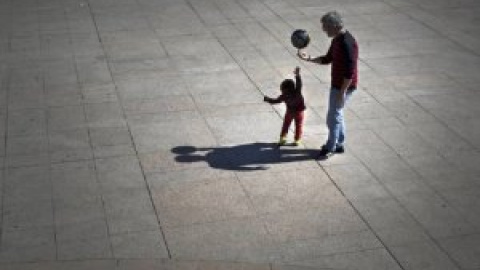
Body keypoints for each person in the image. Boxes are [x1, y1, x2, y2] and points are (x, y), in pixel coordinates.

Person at [297, 11, 358, 158]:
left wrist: (342, 93)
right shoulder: (337, 39)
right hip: (338, 85)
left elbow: (349, 73)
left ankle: (331, 146)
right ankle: (339, 144)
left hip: (344, 86)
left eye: (326, 27)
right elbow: (327, 59)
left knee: (332, 117)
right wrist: (309, 58)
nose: (324, 30)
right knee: (337, 115)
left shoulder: (347, 43)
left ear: (336, 25)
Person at [263, 67, 306, 146]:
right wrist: (297, 75)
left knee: (286, 124)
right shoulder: (297, 92)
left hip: (290, 112)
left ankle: (283, 138)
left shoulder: (284, 96)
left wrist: (268, 99)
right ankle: (297, 140)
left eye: (282, 90)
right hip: (299, 112)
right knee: (298, 125)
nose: (282, 92)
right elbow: (299, 84)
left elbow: (275, 101)